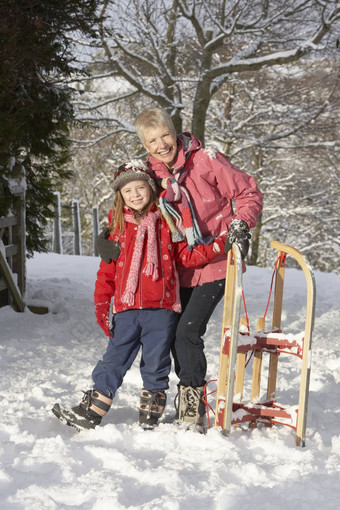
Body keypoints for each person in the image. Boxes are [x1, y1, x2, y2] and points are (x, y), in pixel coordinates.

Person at [96, 108, 263, 428]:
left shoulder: (207, 159)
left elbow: (248, 192)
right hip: (176, 269)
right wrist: (106, 236)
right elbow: (130, 201)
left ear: (175, 132)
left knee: (188, 332)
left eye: (164, 136)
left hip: (215, 261)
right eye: (152, 140)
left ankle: (191, 407)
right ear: (145, 145)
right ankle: (187, 395)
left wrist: (241, 225)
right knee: (172, 335)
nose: (161, 145)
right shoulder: (150, 173)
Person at [52, 161, 227, 431]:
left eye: (140, 187)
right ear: (119, 196)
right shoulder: (116, 229)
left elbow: (186, 257)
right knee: (114, 358)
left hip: (163, 309)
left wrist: (217, 246)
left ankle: (150, 412)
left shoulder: (169, 222)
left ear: (151, 188)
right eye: (127, 191)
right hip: (126, 309)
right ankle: (92, 410)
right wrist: (101, 304)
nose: (134, 195)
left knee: (156, 361)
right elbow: (106, 273)